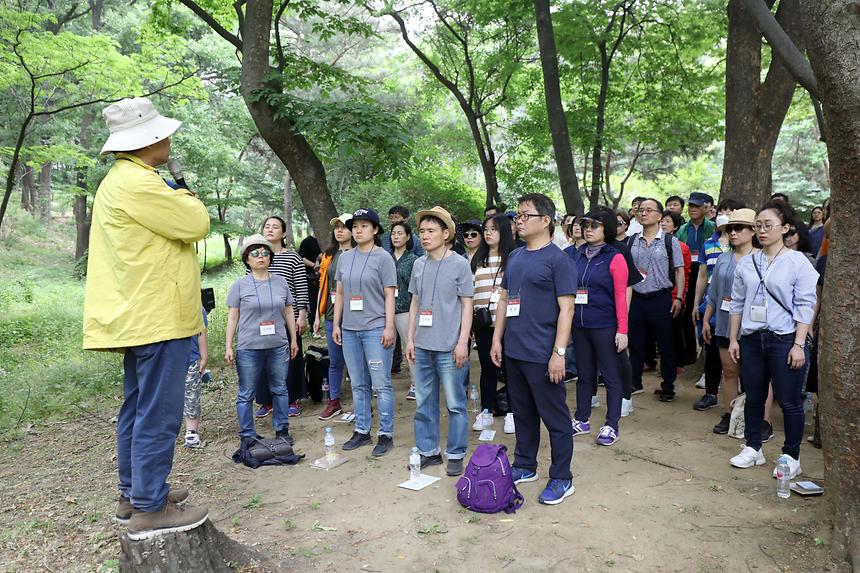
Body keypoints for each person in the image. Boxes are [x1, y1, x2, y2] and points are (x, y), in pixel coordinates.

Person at [84, 97, 209, 538]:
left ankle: (133, 493)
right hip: (157, 316)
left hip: (140, 314)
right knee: (158, 412)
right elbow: (196, 223)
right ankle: (150, 507)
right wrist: (187, 194)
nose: (169, 138)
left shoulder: (122, 180)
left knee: (137, 408)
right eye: (163, 133)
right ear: (148, 140)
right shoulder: (140, 183)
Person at [491, 193, 577, 506]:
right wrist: (497, 339)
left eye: (526, 215)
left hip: (543, 353)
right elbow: (504, 299)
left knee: (555, 418)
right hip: (514, 351)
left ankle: (562, 477)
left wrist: (559, 353)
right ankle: (525, 465)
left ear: (546, 220)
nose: (519, 220)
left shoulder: (559, 259)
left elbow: (567, 310)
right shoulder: (515, 257)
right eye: (517, 215)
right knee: (523, 413)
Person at [727, 201, 817, 479]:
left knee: (789, 401)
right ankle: (753, 446)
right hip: (753, 338)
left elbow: (806, 304)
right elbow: (737, 303)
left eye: (768, 225)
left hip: (785, 338)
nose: (762, 231)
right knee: (754, 395)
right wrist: (734, 339)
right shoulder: (747, 262)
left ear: (786, 228)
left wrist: (799, 344)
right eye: (758, 226)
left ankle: (791, 455)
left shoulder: (797, 261)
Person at [405, 206, 474, 477]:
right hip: (422, 345)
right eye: (422, 231)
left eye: (431, 231)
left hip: (449, 347)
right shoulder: (419, 264)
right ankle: (428, 451)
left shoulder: (459, 264)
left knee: (455, 403)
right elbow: (414, 303)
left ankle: (455, 453)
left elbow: (466, 305)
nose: (424, 236)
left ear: (446, 234)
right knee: (424, 402)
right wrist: (410, 339)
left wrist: (462, 343)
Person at [333, 208, 398, 456]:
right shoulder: (345, 257)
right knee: (359, 384)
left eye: (364, 226)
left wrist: (389, 326)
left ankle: (385, 434)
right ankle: (361, 430)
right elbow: (339, 293)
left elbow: (389, 294)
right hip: (349, 330)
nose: (358, 230)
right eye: (355, 226)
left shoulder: (383, 258)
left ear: (375, 230)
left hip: (375, 328)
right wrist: (337, 324)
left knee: (381, 385)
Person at [702, 209, 772, 437]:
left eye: (739, 228)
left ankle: (763, 421)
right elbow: (713, 293)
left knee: (758, 376)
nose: (733, 233)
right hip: (723, 322)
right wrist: (706, 319)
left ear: (753, 231)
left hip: (753, 326)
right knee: (729, 371)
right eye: (730, 228)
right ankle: (730, 413)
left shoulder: (764, 259)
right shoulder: (723, 258)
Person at [226, 234, 300, 447]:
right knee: (246, 393)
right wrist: (228, 346)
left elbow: (288, 311)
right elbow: (233, 317)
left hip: (278, 345)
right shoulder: (239, 285)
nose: (260, 257)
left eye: (265, 252)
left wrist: (293, 339)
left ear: (270, 257)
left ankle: (282, 429)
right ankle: (247, 435)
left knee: (280, 388)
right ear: (247, 259)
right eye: (255, 253)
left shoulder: (281, 282)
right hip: (249, 347)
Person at [565, 209, 629, 446]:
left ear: (607, 229)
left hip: (605, 325)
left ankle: (612, 424)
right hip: (579, 325)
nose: (588, 229)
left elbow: (621, 296)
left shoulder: (615, 257)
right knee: (584, 375)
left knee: (611, 376)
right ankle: (581, 419)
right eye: (586, 224)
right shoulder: (576, 255)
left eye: (595, 225)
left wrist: (622, 330)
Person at [627, 198, 685, 401]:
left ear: (660, 216)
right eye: (641, 210)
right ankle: (634, 382)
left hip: (661, 298)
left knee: (666, 344)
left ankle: (667, 386)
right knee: (635, 343)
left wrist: (678, 297)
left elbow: (679, 270)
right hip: (636, 298)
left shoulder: (670, 241)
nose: (643, 213)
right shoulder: (631, 240)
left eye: (649, 210)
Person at [690, 198, 743, 403]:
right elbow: (702, 276)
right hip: (713, 304)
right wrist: (696, 304)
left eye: (731, 212)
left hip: (740, 308)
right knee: (711, 347)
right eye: (722, 211)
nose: (725, 215)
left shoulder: (744, 248)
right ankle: (711, 392)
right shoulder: (709, 244)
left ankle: (742, 398)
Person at [255, 216, 308, 418]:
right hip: (262, 319)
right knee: (263, 359)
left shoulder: (293, 257)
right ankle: (266, 401)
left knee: (290, 358)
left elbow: (301, 289)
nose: (270, 229)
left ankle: (291, 399)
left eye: (275, 227)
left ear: (284, 233)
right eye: (267, 226)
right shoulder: (256, 255)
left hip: (288, 318)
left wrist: (301, 315)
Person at [471, 213, 516, 432]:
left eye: (493, 229)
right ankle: (486, 410)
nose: (488, 233)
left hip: (507, 323)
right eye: (486, 229)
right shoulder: (478, 260)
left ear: (504, 232)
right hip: (482, 324)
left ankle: (512, 412)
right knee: (487, 368)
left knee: (509, 369)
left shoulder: (514, 258)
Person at [313, 214, 355, 420]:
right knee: (335, 360)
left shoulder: (360, 252)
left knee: (356, 362)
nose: (339, 231)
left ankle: (361, 402)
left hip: (356, 315)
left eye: (344, 227)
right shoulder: (329, 255)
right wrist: (316, 316)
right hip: (331, 315)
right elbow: (323, 285)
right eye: (336, 227)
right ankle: (334, 401)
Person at [676, 192, 716, 366]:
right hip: (686, 272)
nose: (693, 209)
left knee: (703, 309)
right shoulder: (683, 229)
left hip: (705, 272)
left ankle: (706, 349)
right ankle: (689, 351)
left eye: (697, 206)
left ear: (705, 208)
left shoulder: (712, 227)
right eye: (691, 206)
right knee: (686, 312)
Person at [390, 220, 419, 400]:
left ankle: (416, 384)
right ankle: (381, 385)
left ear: (408, 237)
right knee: (385, 349)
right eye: (394, 233)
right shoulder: (385, 258)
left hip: (406, 309)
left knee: (410, 348)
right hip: (386, 311)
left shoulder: (414, 260)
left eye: (400, 233)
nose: (396, 237)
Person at [660, 210, 692, 378]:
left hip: (674, 296)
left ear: (676, 227)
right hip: (657, 296)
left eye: (667, 221)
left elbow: (683, 274)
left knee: (674, 332)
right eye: (662, 221)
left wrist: (680, 296)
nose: (663, 224)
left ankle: (678, 363)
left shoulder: (681, 247)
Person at [183, 306, 209, 449]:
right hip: (166, 361)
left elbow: (201, 333)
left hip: (191, 360)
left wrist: (204, 356)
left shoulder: (196, 306)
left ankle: (191, 431)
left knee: (192, 396)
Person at [298, 231, 322, 325]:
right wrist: (313, 265)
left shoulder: (323, 241)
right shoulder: (307, 241)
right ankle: (313, 327)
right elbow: (301, 258)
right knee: (313, 303)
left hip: (321, 277)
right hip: (310, 277)